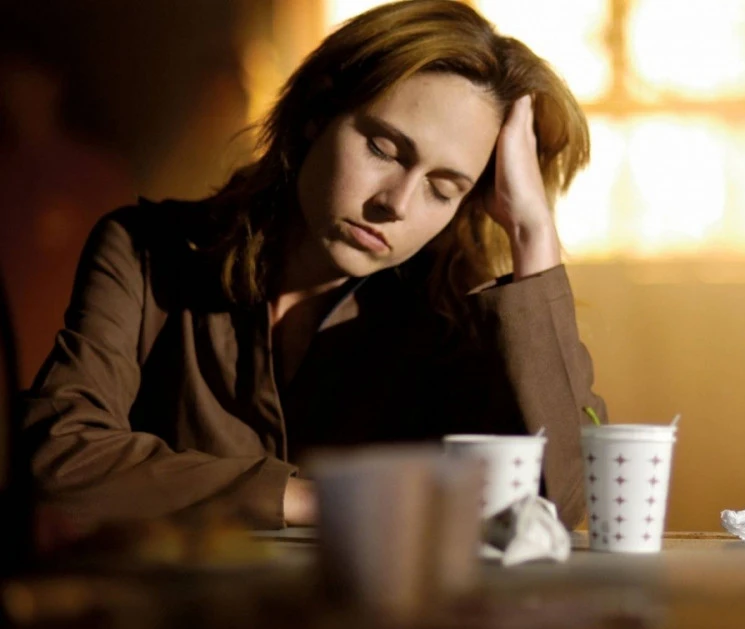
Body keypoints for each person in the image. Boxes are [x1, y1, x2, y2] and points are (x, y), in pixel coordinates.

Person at [20, 0, 606, 534]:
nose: (396, 204)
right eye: (383, 149)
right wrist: (328, 499)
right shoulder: (145, 251)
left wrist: (533, 231)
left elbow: (561, 502)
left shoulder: (446, 316)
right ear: (316, 114)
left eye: (442, 188)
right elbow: (61, 457)